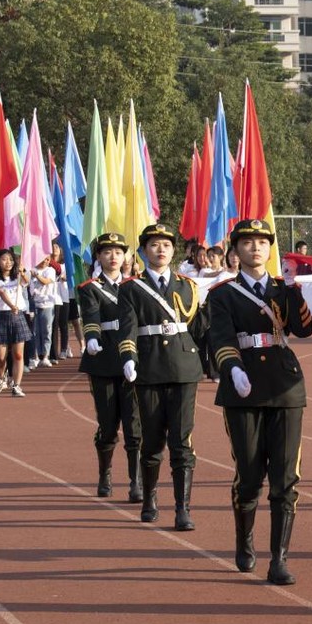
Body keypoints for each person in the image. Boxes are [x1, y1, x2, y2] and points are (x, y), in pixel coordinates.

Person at [208, 219, 312, 585]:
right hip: (244, 388)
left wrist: (294, 291)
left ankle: (280, 558)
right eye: (247, 242)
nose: (256, 248)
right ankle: (245, 540)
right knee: (251, 476)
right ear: (235, 250)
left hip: (285, 386)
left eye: (262, 242)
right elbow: (220, 337)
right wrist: (232, 368)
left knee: (286, 479)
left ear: (270, 249)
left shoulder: (283, 288)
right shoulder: (222, 294)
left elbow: (303, 330)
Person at [117, 223, 207, 530]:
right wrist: (129, 357)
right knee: (152, 440)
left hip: (183, 368)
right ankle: (150, 497)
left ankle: (183, 508)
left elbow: (198, 330)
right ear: (143, 251)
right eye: (154, 245)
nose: (161, 249)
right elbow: (127, 326)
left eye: (166, 245)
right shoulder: (131, 288)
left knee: (181, 442)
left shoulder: (188, 286)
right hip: (150, 368)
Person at [79, 233, 143, 502]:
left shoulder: (137, 286)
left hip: (133, 360)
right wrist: (91, 337)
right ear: (98, 257)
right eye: (107, 252)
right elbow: (91, 314)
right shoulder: (89, 288)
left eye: (118, 251)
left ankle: (135, 481)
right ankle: (105, 473)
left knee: (134, 424)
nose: (113, 256)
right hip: (104, 359)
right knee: (107, 424)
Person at [0, 249, 32, 396]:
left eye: (11, 260)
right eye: (4, 259)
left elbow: (26, 282)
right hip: (2, 317)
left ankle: (16, 385)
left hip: (18, 318)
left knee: (18, 355)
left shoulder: (17, 277)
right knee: (0, 357)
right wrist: (12, 306)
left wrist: (22, 272)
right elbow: (1, 292)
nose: (8, 262)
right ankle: (0, 377)